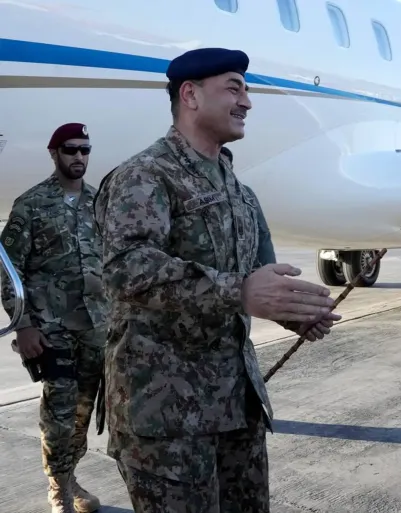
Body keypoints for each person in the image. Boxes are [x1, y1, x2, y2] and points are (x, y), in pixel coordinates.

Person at [93, 47, 340, 513]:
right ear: (190, 94)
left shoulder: (238, 191)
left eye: (246, 89)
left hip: (236, 405)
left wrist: (295, 312)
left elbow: (259, 278)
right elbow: (126, 267)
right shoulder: (145, 175)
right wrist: (239, 291)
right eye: (234, 87)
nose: (247, 101)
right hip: (166, 415)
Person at [0, 123, 107, 513]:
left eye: (84, 149)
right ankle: (58, 491)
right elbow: (8, 270)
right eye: (70, 149)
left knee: (82, 415)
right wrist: (23, 325)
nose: (78, 157)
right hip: (50, 329)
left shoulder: (99, 203)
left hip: (96, 328)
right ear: (54, 153)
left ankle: (70, 476)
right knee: (59, 414)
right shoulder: (31, 205)